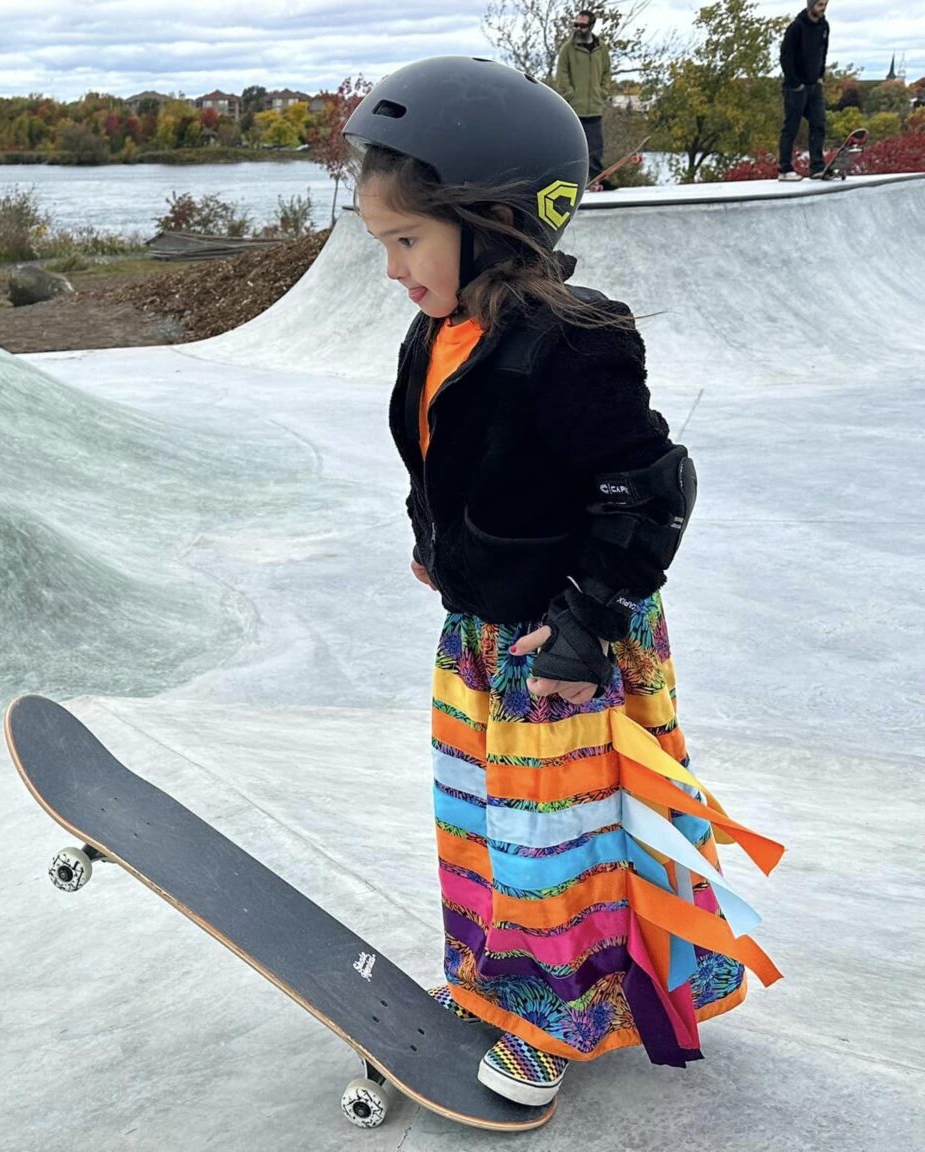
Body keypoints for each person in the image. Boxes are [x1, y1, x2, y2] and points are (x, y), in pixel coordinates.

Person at [341, 56, 784, 1107]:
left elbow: (650, 486)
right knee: (479, 826)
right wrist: (436, 540)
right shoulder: (438, 331)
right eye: (384, 245)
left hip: (564, 642)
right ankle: (502, 983)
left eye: (408, 240)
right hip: (481, 634)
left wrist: (588, 623)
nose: (394, 267)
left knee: (555, 846)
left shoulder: (575, 342)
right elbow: (435, 455)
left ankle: (559, 1018)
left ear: (494, 220)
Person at [554, 9, 611, 186]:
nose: (578, 28)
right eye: (575, 24)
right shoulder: (567, 49)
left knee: (596, 148)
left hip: (594, 106)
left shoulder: (601, 49)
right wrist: (569, 95)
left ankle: (597, 182)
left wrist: (602, 92)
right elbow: (561, 74)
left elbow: (607, 72)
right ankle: (569, 183)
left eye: (582, 25)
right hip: (573, 108)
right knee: (573, 149)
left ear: (591, 26)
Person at [779, 0, 831, 180]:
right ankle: (785, 169)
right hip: (796, 87)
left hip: (814, 85)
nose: (822, 8)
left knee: (819, 124)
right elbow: (785, 57)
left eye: (825, 4)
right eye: (819, 5)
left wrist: (820, 76)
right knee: (791, 127)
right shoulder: (796, 27)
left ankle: (817, 167)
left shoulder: (824, 26)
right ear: (811, 6)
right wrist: (795, 83)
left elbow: (823, 51)